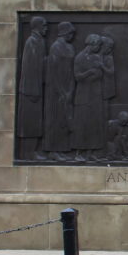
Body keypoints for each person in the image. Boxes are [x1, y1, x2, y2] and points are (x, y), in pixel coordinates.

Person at [42, 21, 76, 161]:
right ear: (64, 32)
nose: (72, 35)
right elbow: (53, 72)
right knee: (54, 119)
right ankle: (52, 150)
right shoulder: (55, 47)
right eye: (70, 32)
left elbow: (72, 70)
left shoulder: (70, 47)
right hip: (55, 91)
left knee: (64, 121)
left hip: (68, 88)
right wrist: (61, 91)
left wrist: (70, 90)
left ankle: (62, 150)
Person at [17, 16, 47, 160]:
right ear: (38, 26)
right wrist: (33, 90)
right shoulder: (32, 42)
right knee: (29, 122)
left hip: (37, 88)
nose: (47, 28)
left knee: (36, 122)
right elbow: (29, 67)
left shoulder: (40, 41)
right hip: (31, 90)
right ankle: (28, 152)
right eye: (44, 25)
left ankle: (33, 151)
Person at [71, 33, 105, 161]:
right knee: (82, 123)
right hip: (83, 95)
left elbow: (100, 74)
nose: (99, 48)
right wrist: (90, 73)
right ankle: (79, 153)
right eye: (98, 45)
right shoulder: (79, 57)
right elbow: (77, 76)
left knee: (94, 124)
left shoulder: (97, 57)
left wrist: (96, 74)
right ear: (92, 44)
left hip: (95, 94)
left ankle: (91, 152)